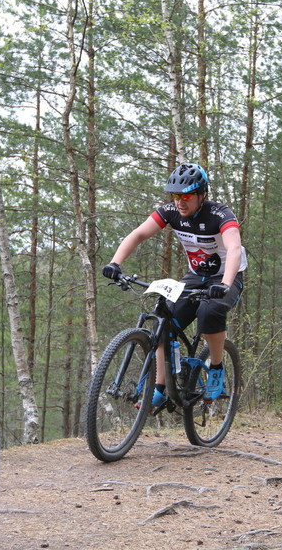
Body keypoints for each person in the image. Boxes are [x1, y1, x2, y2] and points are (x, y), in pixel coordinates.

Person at [102, 163, 246, 407]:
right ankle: (159, 387)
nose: (180, 202)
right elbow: (138, 234)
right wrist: (115, 263)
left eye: (187, 196)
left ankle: (217, 369)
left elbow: (233, 248)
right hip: (195, 276)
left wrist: (225, 283)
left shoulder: (220, 214)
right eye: (176, 196)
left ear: (202, 195)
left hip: (226, 276)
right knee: (163, 318)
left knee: (210, 311)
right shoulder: (170, 212)